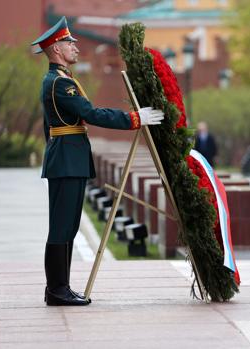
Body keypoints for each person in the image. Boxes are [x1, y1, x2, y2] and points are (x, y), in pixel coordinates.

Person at [31, 16, 164, 306]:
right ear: (55, 49)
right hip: (67, 160)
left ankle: (60, 287)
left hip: (68, 158)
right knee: (62, 227)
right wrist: (134, 118)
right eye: (69, 43)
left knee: (68, 226)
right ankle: (56, 290)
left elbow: (50, 125)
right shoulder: (59, 84)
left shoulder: (61, 80)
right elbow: (91, 113)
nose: (76, 48)